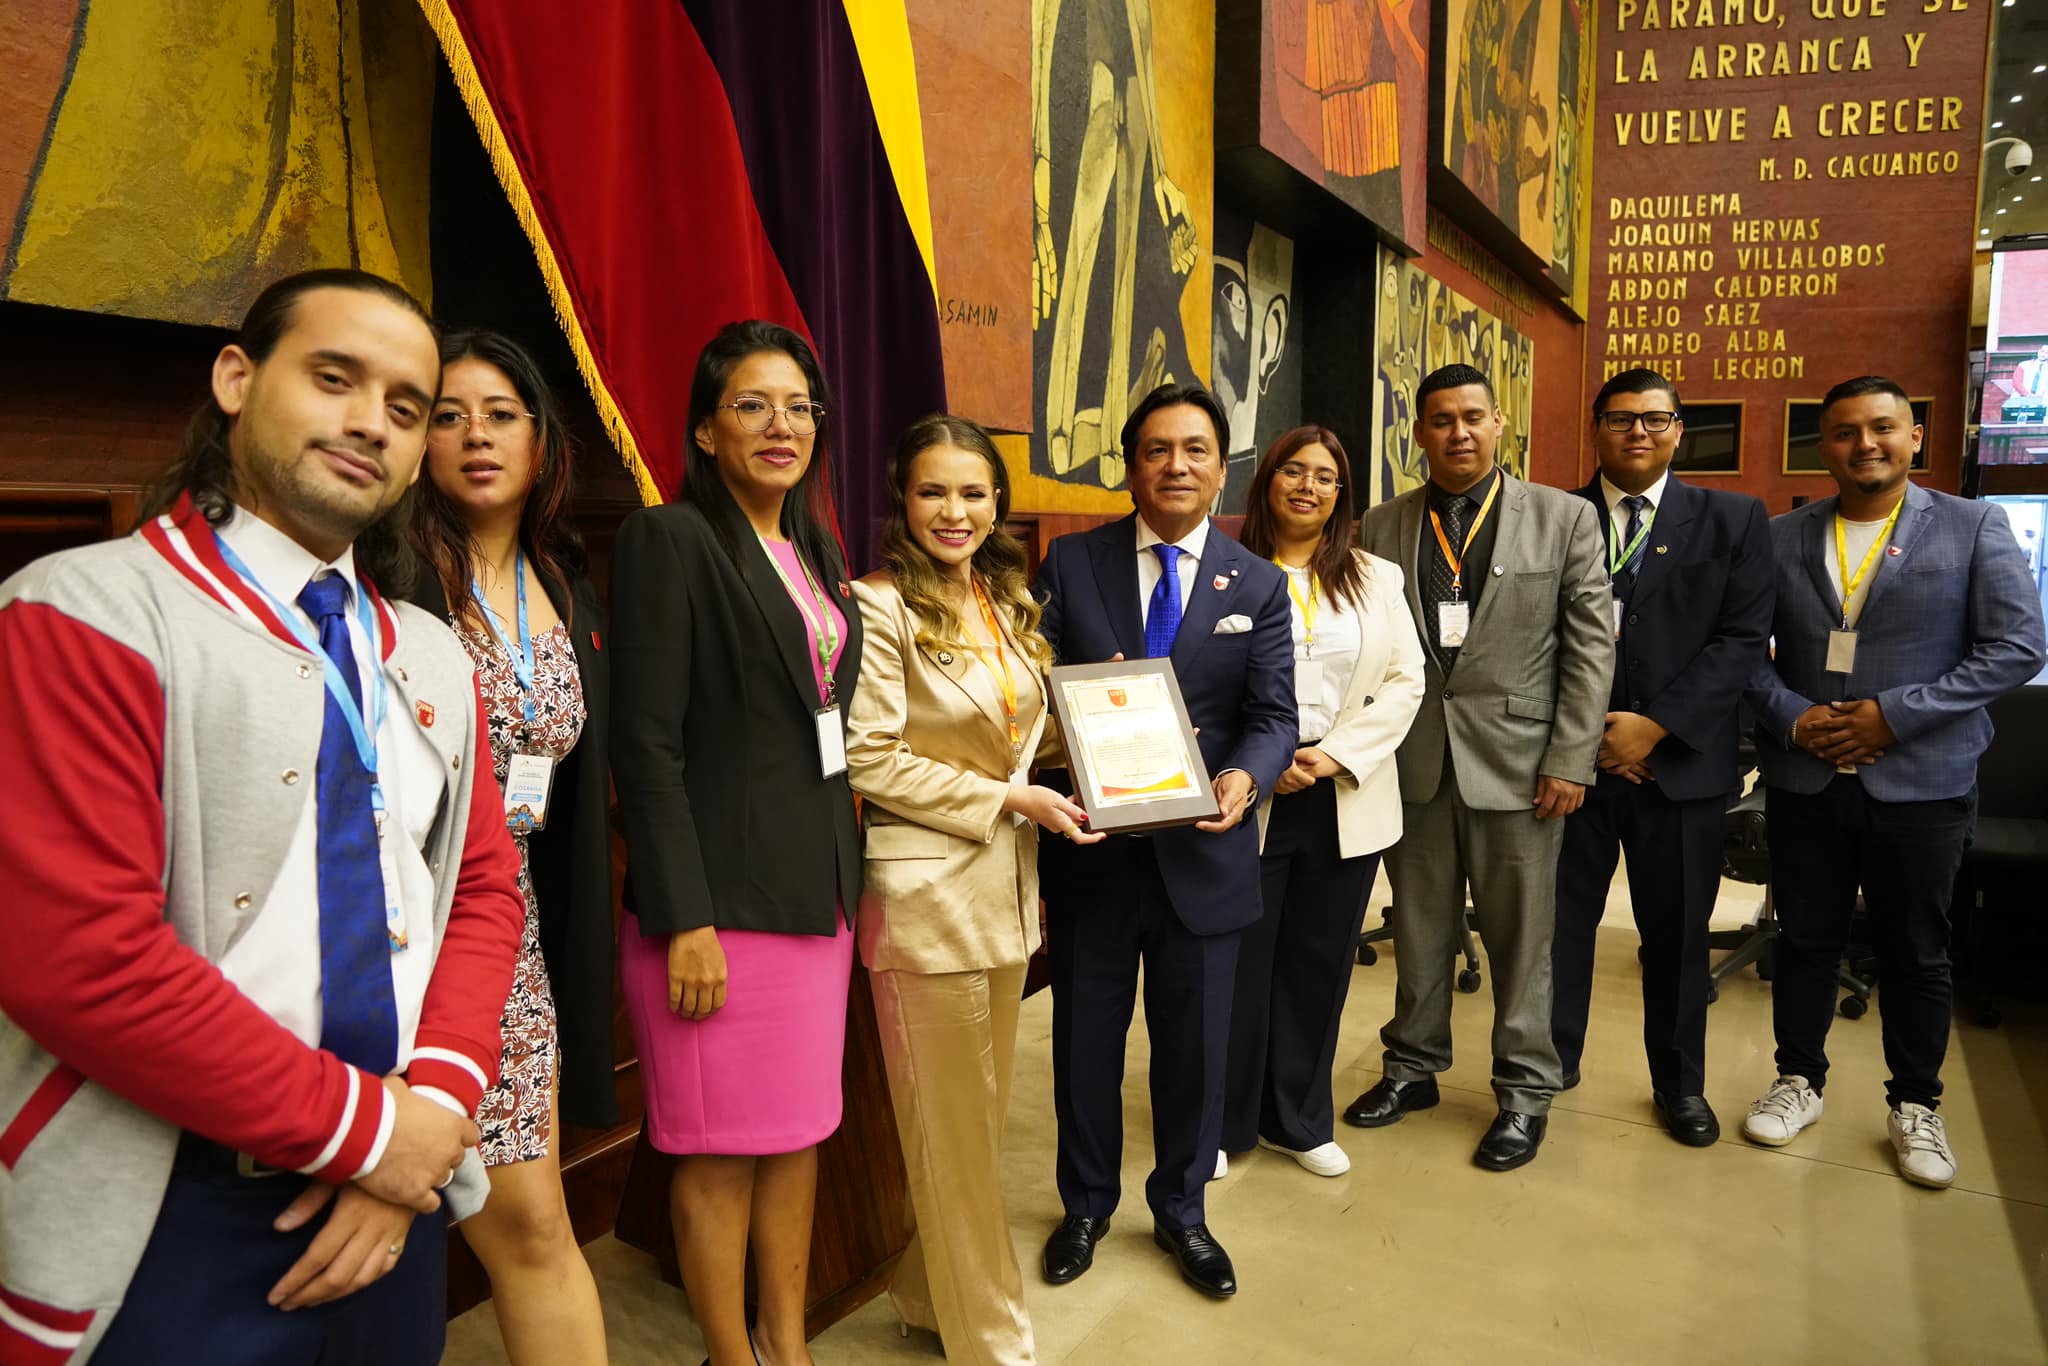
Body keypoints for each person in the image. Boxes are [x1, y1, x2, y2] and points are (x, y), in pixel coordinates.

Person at [0, 268, 524, 1364]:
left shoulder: (425, 651)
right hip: (168, 1202)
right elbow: (82, 960)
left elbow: (479, 889)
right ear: (237, 377)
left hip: (393, 1200)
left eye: (403, 407)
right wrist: (377, 1136)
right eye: (335, 378)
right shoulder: (81, 609)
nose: (368, 423)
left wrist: (420, 1128)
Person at [610, 321, 862, 1366]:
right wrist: (686, 917)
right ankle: (727, 1350)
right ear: (706, 430)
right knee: (715, 1151)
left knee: (798, 1131)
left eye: (799, 405)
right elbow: (646, 743)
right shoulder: (671, 539)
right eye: (752, 404)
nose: (780, 424)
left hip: (817, 897)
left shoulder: (815, 549)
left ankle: (784, 1345)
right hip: (717, 907)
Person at [1741, 375, 2046, 1188]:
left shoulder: (1974, 525)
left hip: (1921, 779)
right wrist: (1796, 718)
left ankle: (1916, 1104)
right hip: (1807, 776)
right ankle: (1798, 1079)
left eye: (1882, 429)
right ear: (1824, 446)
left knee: (1917, 948)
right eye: (1843, 432)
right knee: (1804, 938)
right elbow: (1742, 652)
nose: (1864, 445)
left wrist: (1894, 715)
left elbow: (2017, 647)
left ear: (1915, 437)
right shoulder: (1781, 536)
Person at [1035, 382, 1297, 1299]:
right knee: (1085, 1044)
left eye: (1194, 449)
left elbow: (1272, 716)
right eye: (1155, 449)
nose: (1175, 465)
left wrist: (1247, 777)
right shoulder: (1071, 565)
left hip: (1205, 856)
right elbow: (1029, 695)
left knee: (1196, 1049)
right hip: (1095, 857)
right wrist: (1073, 699)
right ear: (1131, 466)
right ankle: (1086, 1205)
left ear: (1219, 465)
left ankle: (1183, 1211)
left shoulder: (1257, 582)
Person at [846, 414, 1097, 1365]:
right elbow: (868, 758)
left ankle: (923, 1295)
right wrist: (1008, 796)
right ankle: (995, 1343)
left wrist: (1098, 722)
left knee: (973, 1130)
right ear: (901, 501)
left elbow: (1017, 739)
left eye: (973, 492)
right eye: (932, 491)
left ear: (998, 504)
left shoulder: (1003, 597)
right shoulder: (875, 608)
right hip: (924, 902)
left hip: (1005, 896)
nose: (955, 511)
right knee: (951, 1141)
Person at [1346, 363, 1611, 1172]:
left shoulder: (1564, 518)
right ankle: (1412, 1067)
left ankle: (1525, 1091)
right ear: (1418, 433)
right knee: (1420, 932)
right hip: (1416, 763)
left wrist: (1572, 756)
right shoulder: (1380, 525)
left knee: (1521, 940)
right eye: (1439, 420)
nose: (1457, 432)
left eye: (1472, 417)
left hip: (1524, 768)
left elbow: (1590, 647)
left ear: (1501, 425)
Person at [410, 329, 613, 1364]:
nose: (475, 435)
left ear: (542, 439)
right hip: (399, 930)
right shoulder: (392, 571)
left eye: (501, 413)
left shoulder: (562, 577)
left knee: (535, 1222)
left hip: (509, 937)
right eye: (447, 414)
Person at [1549, 369, 1774, 1147]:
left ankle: (1680, 1086)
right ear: (1596, 428)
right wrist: (1590, 742)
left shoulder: (1735, 519)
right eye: (1620, 419)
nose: (1637, 433)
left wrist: (1655, 729)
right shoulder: (1555, 515)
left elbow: (1741, 640)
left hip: (1681, 769)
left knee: (1677, 938)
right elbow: (1525, 642)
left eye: (1654, 419)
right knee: (1560, 930)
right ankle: (1547, 1070)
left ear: (1679, 429)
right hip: (1569, 770)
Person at [1221, 427, 1423, 1176]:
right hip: (1247, 797)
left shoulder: (1377, 577)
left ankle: (1297, 1120)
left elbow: (1407, 681)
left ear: (1343, 494)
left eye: (1327, 477)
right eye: (1293, 471)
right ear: (1267, 480)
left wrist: (1332, 756)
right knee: (1240, 966)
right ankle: (1225, 1125)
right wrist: (1261, 760)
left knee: (1317, 964)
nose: (1308, 486)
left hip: (1342, 793)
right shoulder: (1227, 570)